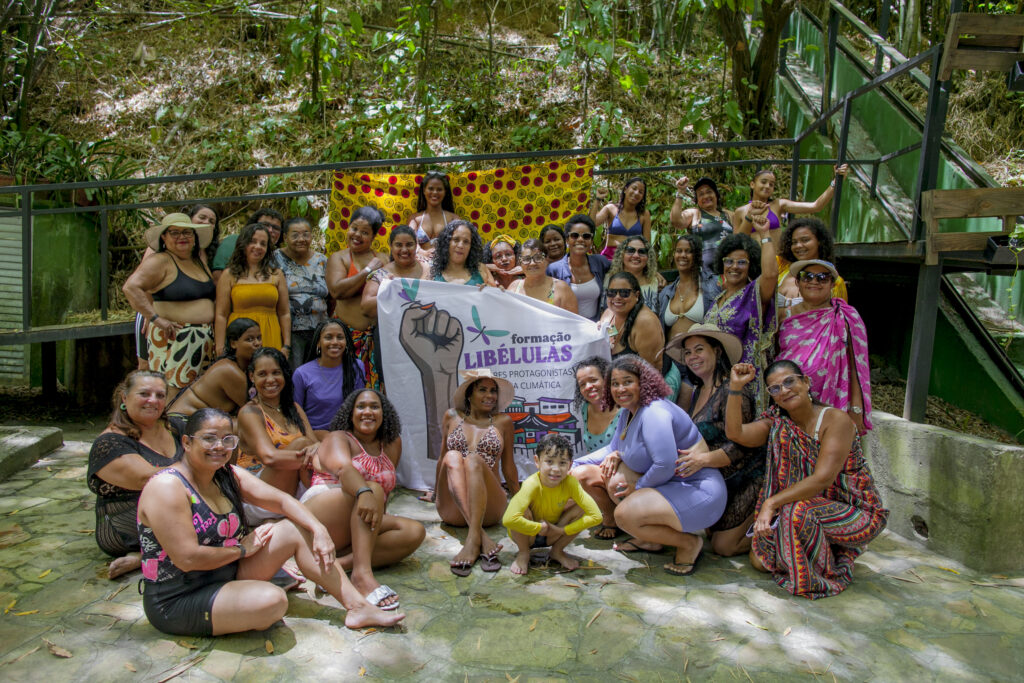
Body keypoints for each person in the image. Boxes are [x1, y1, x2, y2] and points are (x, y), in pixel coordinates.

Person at [136, 408, 404, 635]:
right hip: (180, 597)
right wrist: (241, 550)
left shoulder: (226, 473)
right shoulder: (168, 486)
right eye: (209, 439)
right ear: (186, 442)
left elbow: (283, 501)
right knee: (272, 602)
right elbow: (188, 559)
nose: (219, 447)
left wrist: (318, 529)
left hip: (226, 572)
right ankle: (251, 596)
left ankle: (358, 607)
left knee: (292, 528)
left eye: (227, 440)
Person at [725, 360, 888, 599]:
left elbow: (822, 479)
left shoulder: (836, 421)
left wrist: (771, 503)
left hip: (857, 513)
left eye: (789, 381)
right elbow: (735, 433)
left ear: (806, 382)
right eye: (775, 388)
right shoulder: (778, 423)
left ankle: (821, 576)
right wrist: (735, 387)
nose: (784, 390)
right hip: (807, 508)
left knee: (797, 511)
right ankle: (828, 550)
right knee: (760, 561)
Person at [576, 355, 725, 575]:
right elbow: (611, 449)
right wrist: (572, 465)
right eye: (615, 383)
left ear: (643, 383)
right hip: (671, 484)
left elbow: (664, 465)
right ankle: (650, 539)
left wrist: (638, 488)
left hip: (698, 492)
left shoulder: (655, 412)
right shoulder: (629, 411)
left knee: (625, 513)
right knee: (593, 476)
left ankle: (688, 544)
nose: (620, 389)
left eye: (628, 382)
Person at [300, 389, 425, 609]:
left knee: (414, 531)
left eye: (374, 407)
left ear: (384, 413)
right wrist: (365, 492)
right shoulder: (338, 438)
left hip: (358, 516)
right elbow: (344, 470)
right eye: (361, 407)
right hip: (322, 513)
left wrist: (375, 516)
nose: (367, 412)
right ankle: (362, 576)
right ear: (350, 413)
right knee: (372, 489)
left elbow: (386, 492)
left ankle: (337, 566)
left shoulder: (392, 443)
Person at [664, 324, 763, 557]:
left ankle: (776, 530)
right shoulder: (697, 390)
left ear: (717, 351)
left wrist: (703, 460)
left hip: (746, 477)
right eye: (688, 352)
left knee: (723, 547)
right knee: (710, 536)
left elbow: (742, 445)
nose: (692, 357)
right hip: (717, 478)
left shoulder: (734, 389)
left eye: (699, 349)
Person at [88, 371, 182, 579]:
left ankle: (156, 553)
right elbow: (153, 480)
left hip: (176, 513)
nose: (153, 400)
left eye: (160, 395)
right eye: (144, 394)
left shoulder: (174, 427)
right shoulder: (109, 443)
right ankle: (145, 554)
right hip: (128, 527)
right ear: (124, 397)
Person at [123, 213, 216, 399]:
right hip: (175, 338)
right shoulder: (161, 261)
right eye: (175, 233)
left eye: (187, 232)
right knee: (171, 394)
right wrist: (155, 318)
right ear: (164, 237)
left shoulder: (198, 261)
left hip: (202, 341)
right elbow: (131, 288)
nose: (182, 237)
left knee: (194, 396)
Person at [436, 369, 518, 576]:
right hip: (452, 508)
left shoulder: (503, 422)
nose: (490, 396)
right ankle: (479, 535)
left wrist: (521, 501)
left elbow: (508, 466)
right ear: (469, 394)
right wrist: (436, 492)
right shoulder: (451, 416)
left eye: (493, 391)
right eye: (482, 390)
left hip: (489, 508)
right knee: (452, 456)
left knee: (473, 460)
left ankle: (472, 540)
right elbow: (442, 458)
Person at [778, 260, 871, 433]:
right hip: (788, 400)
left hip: (832, 402)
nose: (814, 282)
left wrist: (856, 408)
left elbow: (857, 366)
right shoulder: (783, 315)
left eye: (822, 278)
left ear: (832, 284)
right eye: (807, 276)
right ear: (798, 282)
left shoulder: (846, 317)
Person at [503, 434, 602, 574]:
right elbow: (508, 519)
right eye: (549, 461)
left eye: (562, 463)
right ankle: (523, 553)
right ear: (537, 461)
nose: (556, 469)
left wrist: (561, 531)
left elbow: (596, 516)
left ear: (570, 465)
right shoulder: (531, 484)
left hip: (553, 533)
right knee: (522, 511)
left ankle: (557, 551)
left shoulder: (571, 483)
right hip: (527, 535)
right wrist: (539, 527)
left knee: (581, 508)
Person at [704, 218, 778, 406]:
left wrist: (765, 234)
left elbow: (770, 275)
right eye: (729, 261)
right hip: (716, 378)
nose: (734, 266)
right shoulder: (718, 298)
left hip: (746, 379)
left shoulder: (754, 293)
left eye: (742, 262)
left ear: (751, 265)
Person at [236, 349, 318, 509]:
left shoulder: (294, 408)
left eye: (276, 373)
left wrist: (315, 451)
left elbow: (315, 444)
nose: (270, 380)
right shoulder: (250, 412)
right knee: (302, 444)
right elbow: (269, 457)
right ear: (252, 376)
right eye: (262, 374)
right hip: (257, 495)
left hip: (292, 487)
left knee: (308, 444)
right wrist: (310, 459)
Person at [360, 225, 429, 391]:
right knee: (394, 388)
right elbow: (366, 307)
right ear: (391, 246)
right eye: (399, 245)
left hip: (425, 338)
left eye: (409, 244)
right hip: (390, 340)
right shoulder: (382, 275)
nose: (404, 250)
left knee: (424, 384)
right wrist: (390, 292)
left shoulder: (429, 269)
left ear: (416, 246)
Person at [326, 206, 389, 388]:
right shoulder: (339, 258)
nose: (357, 235)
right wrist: (368, 270)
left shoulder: (384, 258)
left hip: (377, 340)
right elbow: (337, 291)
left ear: (373, 236)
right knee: (345, 388)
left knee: (378, 391)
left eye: (365, 232)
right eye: (354, 228)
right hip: (345, 339)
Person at [215, 223, 290, 357]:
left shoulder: (277, 274)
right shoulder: (229, 274)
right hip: (240, 337)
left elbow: (284, 313)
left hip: (270, 334)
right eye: (253, 242)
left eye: (263, 244)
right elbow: (221, 314)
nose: (258, 247)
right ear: (243, 244)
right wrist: (220, 346)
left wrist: (286, 345)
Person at [732, 166, 848, 251]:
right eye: (763, 182)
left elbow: (816, 206)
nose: (767, 186)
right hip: (754, 263)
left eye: (771, 184)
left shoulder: (778, 205)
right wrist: (749, 218)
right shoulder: (741, 211)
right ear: (752, 184)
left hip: (777, 261)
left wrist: (835, 182)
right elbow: (736, 242)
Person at [166, 317, 262, 419]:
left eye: (259, 338)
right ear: (233, 343)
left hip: (205, 420)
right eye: (249, 339)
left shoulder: (242, 367)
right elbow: (256, 411)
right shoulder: (228, 370)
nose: (257, 343)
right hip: (183, 420)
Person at [569, 357, 621, 540]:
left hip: (623, 472)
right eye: (582, 384)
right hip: (599, 474)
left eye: (593, 380)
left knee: (580, 474)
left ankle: (611, 519)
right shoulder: (586, 409)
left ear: (606, 379)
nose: (588, 387)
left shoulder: (624, 409)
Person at [292, 319, 366, 437]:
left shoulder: (356, 367)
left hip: (348, 435)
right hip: (313, 435)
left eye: (340, 337)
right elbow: (296, 414)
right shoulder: (302, 373)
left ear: (346, 342)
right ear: (318, 343)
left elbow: (360, 406)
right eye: (328, 337)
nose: (335, 342)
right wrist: (314, 439)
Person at [273, 216, 329, 365]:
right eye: (295, 235)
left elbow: (331, 297)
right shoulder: (275, 258)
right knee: (294, 369)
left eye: (305, 234)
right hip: (289, 330)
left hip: (320, 328)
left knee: (318, 370)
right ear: (285, 237)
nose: (301, 239)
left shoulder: (321, 260)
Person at [547, 215, 612, 321]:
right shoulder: (553, 270)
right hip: (565, 327)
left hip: (594, 327)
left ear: (591, 241)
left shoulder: (600, 262)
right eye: (575, 235)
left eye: (586, 236)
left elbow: (621, 270)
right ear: (567, 240)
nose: (580, 239)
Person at [670, 177, 734, 280]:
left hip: (730, 267)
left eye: (709, 192)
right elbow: (676, 221)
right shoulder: (695, 213)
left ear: (716, 195)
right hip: (704, 272)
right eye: (701, 194)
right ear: (697, 200)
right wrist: (681, 192)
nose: (706, 196)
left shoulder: (728, 215)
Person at [598, 272, 664, 371]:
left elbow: (652, 371)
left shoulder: (645, 322)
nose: (617, 297)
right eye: (612, 292)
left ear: (636, 295)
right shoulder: (608, 314)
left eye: (624, 293)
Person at [657, 234, 717, 342]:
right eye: (679, 251)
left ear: (697, 255)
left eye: (688, 251)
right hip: (671, 351)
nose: (683, 255)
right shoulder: (665, 293)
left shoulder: (713, 284)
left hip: (700, 350)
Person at [776, 217, 848, 304]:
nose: (798, 245)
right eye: (794, 242)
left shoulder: (835, 282)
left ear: (820, 241)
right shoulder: (781, 266)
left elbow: (840, 311)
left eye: (805, 240)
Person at [507, 238, 577, 313]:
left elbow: (572, 319)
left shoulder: (561, 289)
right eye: (526, 259)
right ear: (520, 263)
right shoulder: (514, 288)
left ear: (547, 260)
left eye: (538, 257)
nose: (532, 263)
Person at [211, 207, 284, 279]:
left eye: (276, 228)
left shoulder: (277, 255)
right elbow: (218, 275)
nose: (270, 230)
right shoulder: (233, 240)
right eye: (265, 225)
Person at [590, 177, 651, 259]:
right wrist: (598, 199)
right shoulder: (610, 209)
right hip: (610, 257)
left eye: (641, 192)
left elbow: (647, 243)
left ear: (642, 197)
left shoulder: (644, 214)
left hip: (632, 258)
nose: (636, 193)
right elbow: (591, 224)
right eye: (634, 188)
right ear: (625, 189)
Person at [407, 171, 461, 260]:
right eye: (431, 189)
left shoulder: (454, 219)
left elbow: (460, 243)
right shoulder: (414, 219)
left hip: (446, 263)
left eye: (439, 189)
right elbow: (409, 242)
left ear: (445, 192)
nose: (435, 192)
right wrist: (422, 253)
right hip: (420, 263)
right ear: (424, 190)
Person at [604, 235, 662, 314]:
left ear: (648, 257)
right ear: (622, 254)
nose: (636, 255)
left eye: (642, 252)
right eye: (630, 250)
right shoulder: (609, 280)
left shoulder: (655, 282)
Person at [430, 219, 496, 287]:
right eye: (456, 240)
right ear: (446, 243)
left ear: (471, 247)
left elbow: (495, 292)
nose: (460, 246)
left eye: (466, 242)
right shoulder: (431, 272)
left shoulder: (481, 269)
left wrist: (488, 290)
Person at [189, 204, 221, 273]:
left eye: (211, 221)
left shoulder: (218, 251)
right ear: (190, 218)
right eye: (202, 217)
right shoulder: (180, 246)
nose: (206, 222)